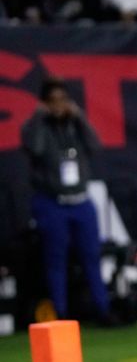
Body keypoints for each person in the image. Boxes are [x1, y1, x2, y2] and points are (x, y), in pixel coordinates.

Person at [21, 78, 112, 324]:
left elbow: (95, 146)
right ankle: (60, 313)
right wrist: (39, 117)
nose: (58, 105)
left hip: (81, 201)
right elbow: (35, 148)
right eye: (53, 101)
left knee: (92, 256)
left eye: (63, 100)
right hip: (52, 202)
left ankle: (102, 310)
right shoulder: (37, 127)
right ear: (44, 103)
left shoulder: (75, 126)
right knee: (55, 259)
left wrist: (80, 117)